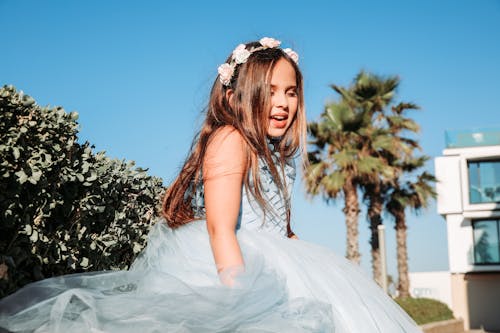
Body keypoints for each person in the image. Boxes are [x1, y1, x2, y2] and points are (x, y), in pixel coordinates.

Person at [0, 37, 422, 332]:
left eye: (291, 92)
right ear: (239, 94)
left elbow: (278, 223)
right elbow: (222, 228)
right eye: (271, 90)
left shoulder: (276, 155)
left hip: (281, 266)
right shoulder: (231, 139)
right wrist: (238, 297)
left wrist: (303, 249)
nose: (283, 103)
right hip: (234, 267)